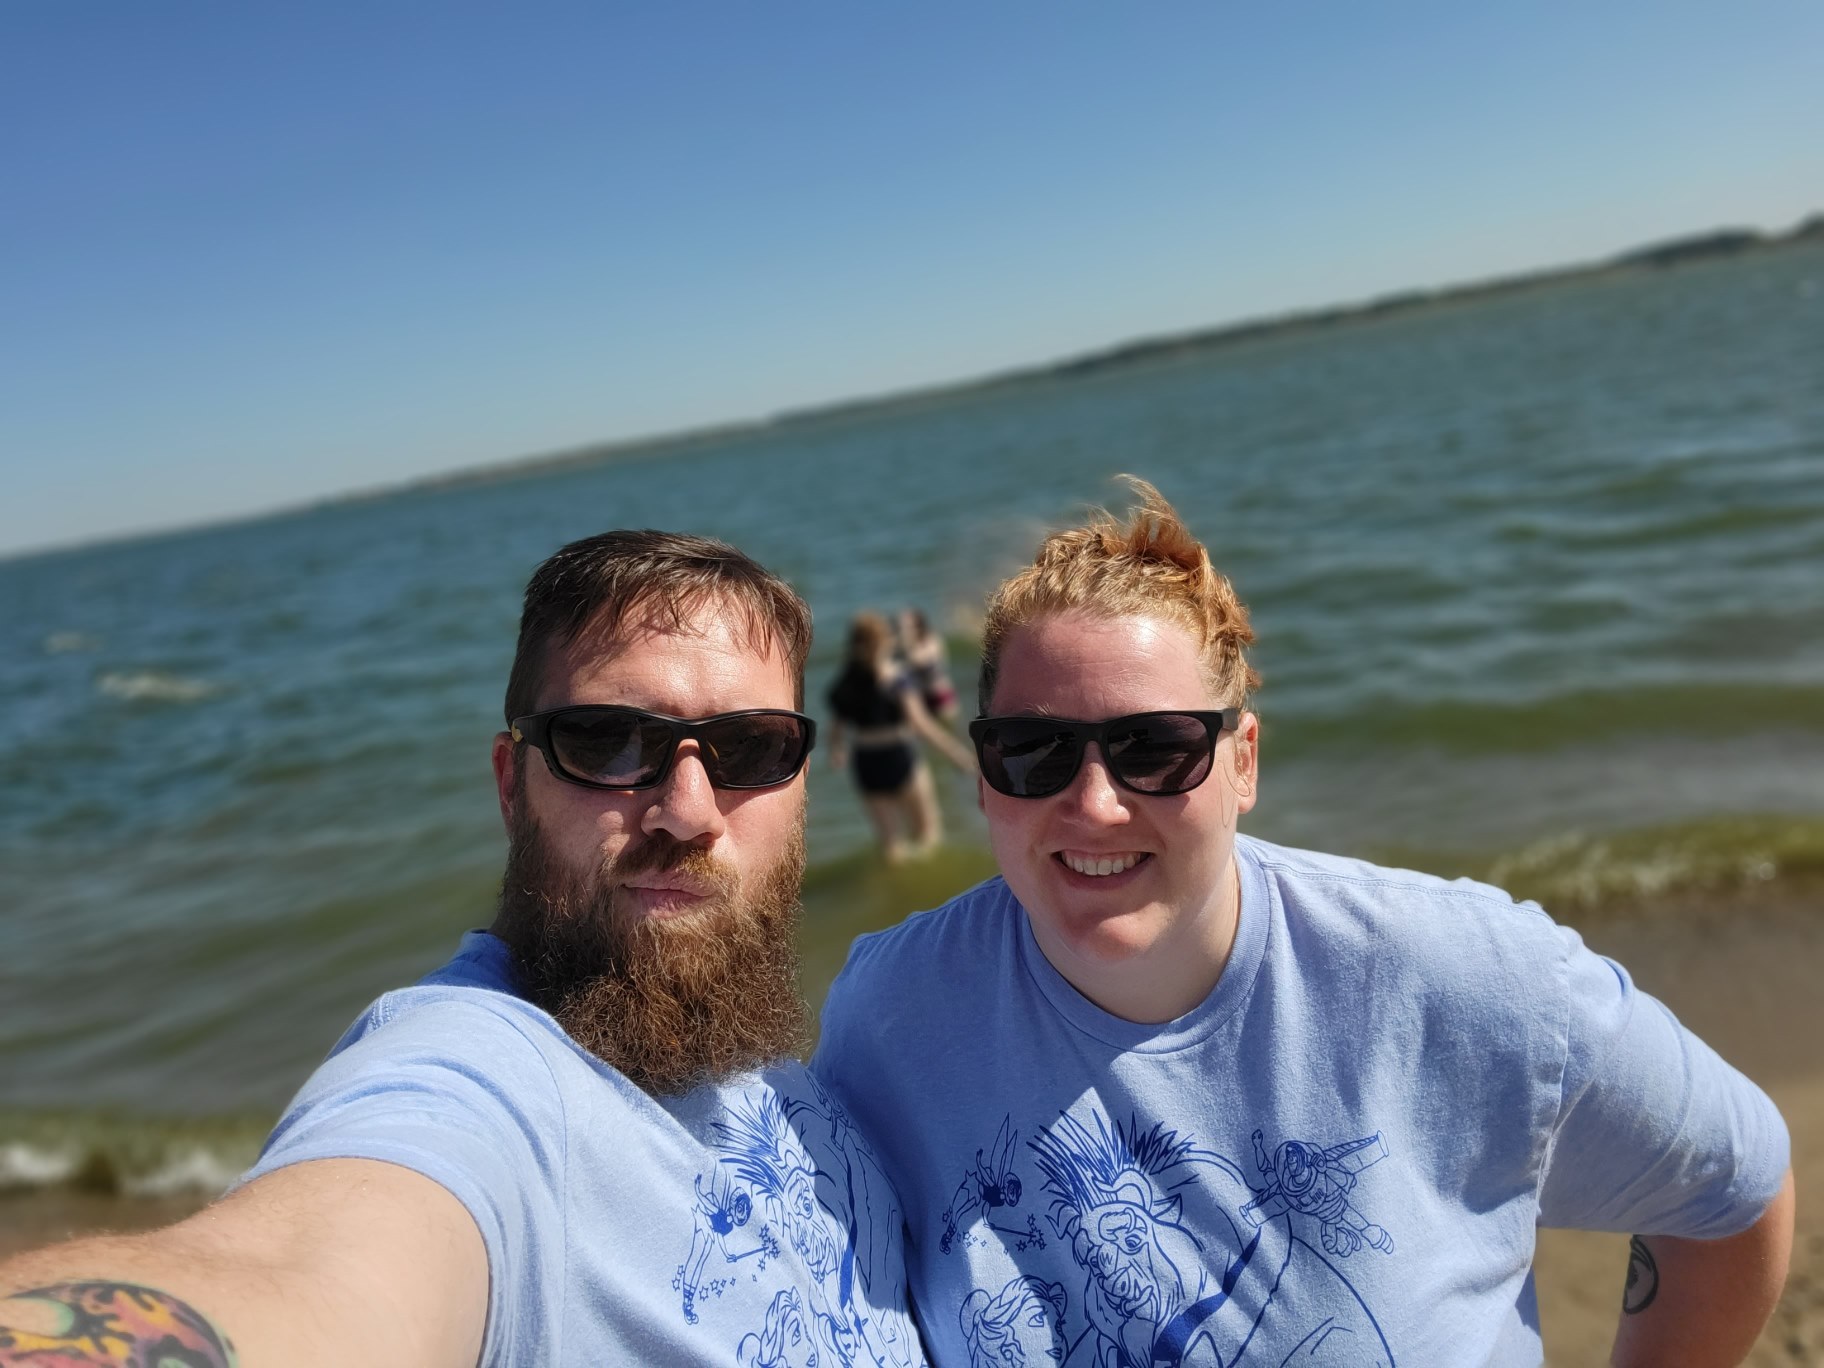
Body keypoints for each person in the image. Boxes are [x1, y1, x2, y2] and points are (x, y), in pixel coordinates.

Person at [813, 480, 1794, 1367]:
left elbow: (1729, 1188)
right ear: (984, 776)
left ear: (1243, 763)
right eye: (1033, 752)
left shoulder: (1455, 976)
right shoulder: (889, 1016)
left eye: (1155, 749)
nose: (1095, 804)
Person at [0, 530, 927, 1368]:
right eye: (604, 743)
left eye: (753, 748)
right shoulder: (480, 1083)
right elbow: (309, 1269)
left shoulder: (767, 1051)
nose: (687, 812)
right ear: (509, 784)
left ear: (801, 783)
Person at [827, 611, 973, 863]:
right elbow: (921, 725)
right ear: (886, 642)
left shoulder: (846, 683)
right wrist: (958, 754)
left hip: (866, 762)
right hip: (899, 755)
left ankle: (895, 888)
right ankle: (927, 890)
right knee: (928, 835)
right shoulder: (897, 679)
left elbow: (836, 730)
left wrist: (838, 750)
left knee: (892, 846)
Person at [898, 608, 959, 723]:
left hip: (941, 695)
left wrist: (906, 644)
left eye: (907, 627)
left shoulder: (932, 641)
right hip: (924, 698)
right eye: (903, 627)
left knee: (950, 729)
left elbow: (919, 661)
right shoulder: (909, 645)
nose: (904, 630)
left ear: (918, 625)